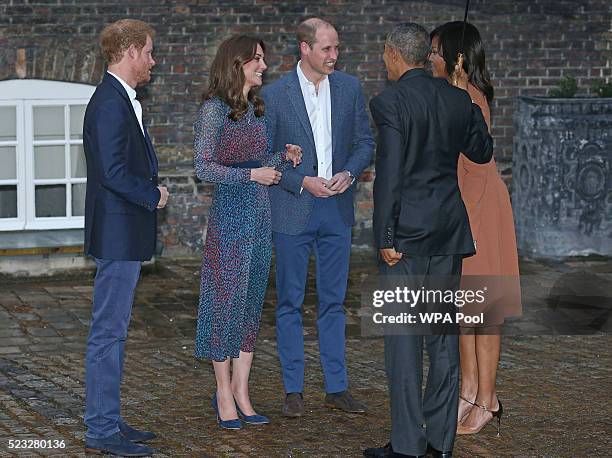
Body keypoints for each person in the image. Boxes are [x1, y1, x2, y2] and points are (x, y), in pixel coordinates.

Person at [364, 23, 493, 458]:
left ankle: (407, 445)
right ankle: (440, 443)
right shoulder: (458, 99)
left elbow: (391, 177)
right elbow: (482, 151)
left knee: (402, 342)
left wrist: (384, 234)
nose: (384, 61)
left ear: (395, 55)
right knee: (441, 339)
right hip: (448, 235)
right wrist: (465, 103)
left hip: (406, 241)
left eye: (384, 54)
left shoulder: (390, 102)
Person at [261, 18, 374, 417]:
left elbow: (365, 141)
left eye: (337, 48)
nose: (334, 56)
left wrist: (349, 172)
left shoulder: (349, 88)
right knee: (289, 302)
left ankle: (336, 387)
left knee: (334, 302)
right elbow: (264, 156)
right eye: (327, 49)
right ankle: (294, 389)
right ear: (304, 49)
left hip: (337, 209)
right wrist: (301, 181)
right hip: (293, 208)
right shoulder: (274, 95)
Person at [193, 35, 302, 430]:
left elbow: (257, 164)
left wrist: (281, 159)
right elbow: (203, 167)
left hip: (259, 219)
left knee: (250, 306)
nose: (263, 66)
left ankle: (242, 391)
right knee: (224, 306)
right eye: (256, 59)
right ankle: (222, 393)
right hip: (229, 221)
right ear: (235, 63)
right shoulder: (213, 111)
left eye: (263, 59)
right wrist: (251, 174)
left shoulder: (256, 109)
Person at [429, 21, 521, 436]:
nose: (430, 57)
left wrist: (470, 228)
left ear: (456, 57)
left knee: (484, 310)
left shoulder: (471, 100)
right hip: (463, 212)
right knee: (463, 310)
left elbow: (478, 166)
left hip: (481, 210)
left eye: (436, 50)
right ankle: (467, 391)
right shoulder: (450, 95)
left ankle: (488, 399)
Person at [83, 19, 168, 457]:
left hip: (123, 233)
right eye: (150, 52)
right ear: (131, 51)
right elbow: (114, 172)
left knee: (113, 332)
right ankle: (100, 430)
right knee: (107, 333)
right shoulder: (111, 103)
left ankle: (109, 419)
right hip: (118, 233)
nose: (153, 61)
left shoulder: (121, 100)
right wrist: (153, 194)